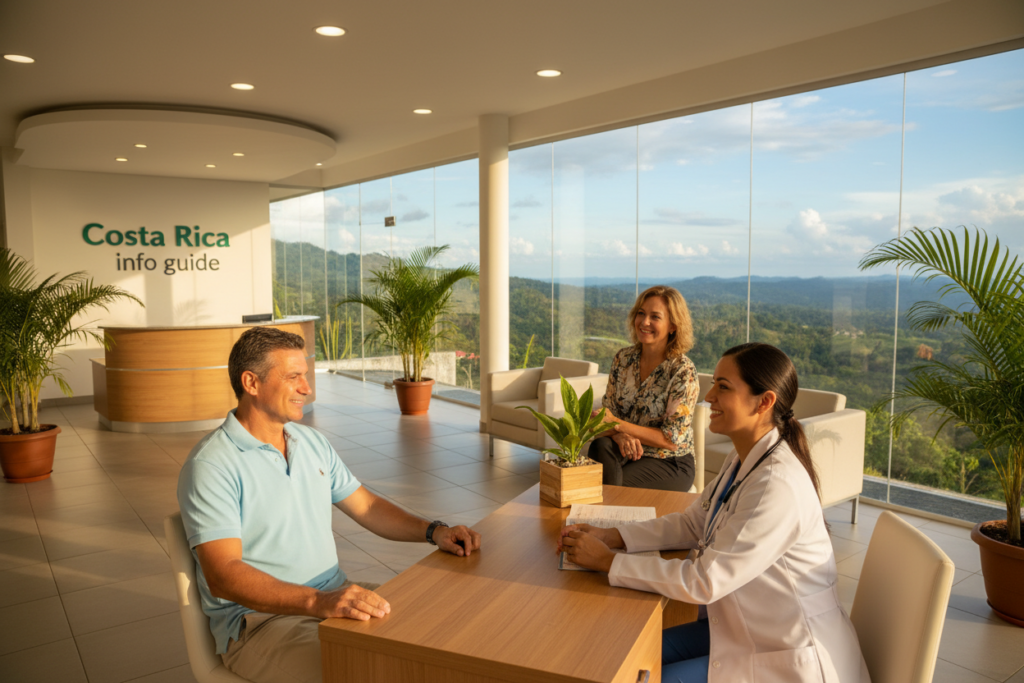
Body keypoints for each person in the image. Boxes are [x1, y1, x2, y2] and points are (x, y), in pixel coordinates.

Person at [177, 327, 481, 683]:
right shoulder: (212, 465)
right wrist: (317, 603)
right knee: (377, 670)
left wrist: (434, 531)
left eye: (305, 376)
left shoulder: (310, 442)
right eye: (294, 378)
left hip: (332, 594)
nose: (307, 388)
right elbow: (223, 575)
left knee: (447, 630)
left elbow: (366, 506)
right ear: (251, 383)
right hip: (261, 623)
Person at [560, 342, 869, 682]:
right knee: (621, 651)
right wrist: (613, 535)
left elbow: (704, 581)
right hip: (746, 629)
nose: (708, 397)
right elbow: (694, 522)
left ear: (764, 402)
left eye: (723, 387)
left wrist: (608, 561)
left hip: (786, 653)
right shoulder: (744, 458)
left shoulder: (776, 484)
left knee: (638, 674)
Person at [588, 285, 699, 491]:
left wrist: (618, 425)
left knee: (605, 485)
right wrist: (619, 434)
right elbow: (606, 416)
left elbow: (670, 440)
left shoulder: (683, 371)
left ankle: (602, 516)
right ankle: (603, 514)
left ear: (673, 325)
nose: (645, 322)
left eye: (655, 317)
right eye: (641, 313)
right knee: (600, 445)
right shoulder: (623, 359)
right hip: (626, 451)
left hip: (669, 461)